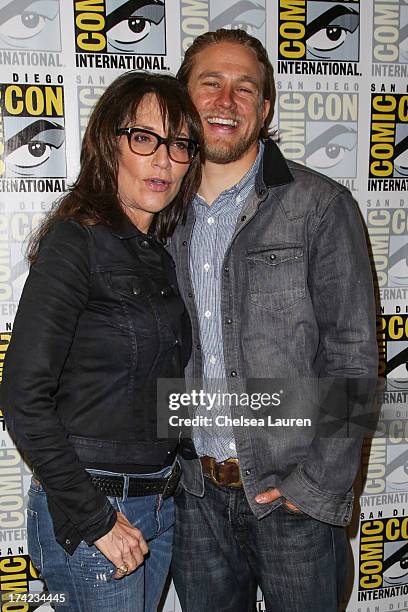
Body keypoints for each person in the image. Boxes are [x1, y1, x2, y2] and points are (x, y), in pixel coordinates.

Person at [169, 29, 378, 612]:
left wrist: (315, 489)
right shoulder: (158, 216)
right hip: (194, 500)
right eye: (210, 83)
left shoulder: (320, 207)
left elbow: (355, 360)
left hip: (293, 501)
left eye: (245, 88)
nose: (226, 100)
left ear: (264, 109)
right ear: (185, 99)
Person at [1, 71, 203, 612]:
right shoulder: (76, 240)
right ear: (107, 144)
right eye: (145, 138)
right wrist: (97, 521)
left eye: (180, 144)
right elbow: (22, 395)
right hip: (97, 512)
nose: (164, 160)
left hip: (158, 505)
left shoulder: (156, 252)